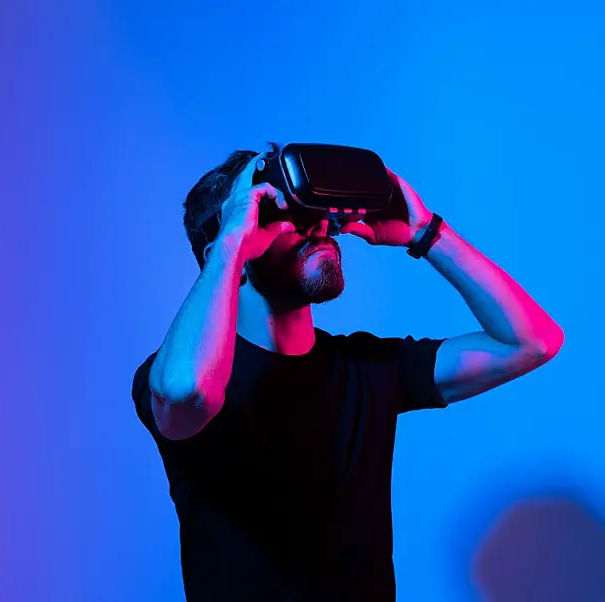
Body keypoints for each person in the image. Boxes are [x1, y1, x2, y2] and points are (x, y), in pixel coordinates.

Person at [131, 143, 564, 602]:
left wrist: (426, 232)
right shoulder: (179, 374)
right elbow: (185, 391)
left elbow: (531, 341)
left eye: (314, 211)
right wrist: (230, 249)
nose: (318, 226)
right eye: (282, 212)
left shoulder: (368, 368)